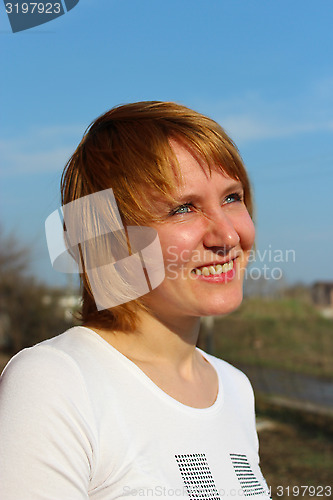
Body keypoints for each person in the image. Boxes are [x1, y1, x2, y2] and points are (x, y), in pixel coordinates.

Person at [0, 101, 271, 499]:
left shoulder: (234, 388)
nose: (228, 236)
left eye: (232, 197)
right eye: (183, 208)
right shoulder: (57, 382)